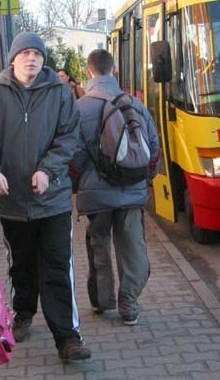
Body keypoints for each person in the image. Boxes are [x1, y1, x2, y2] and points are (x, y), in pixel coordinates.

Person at [0, 31, 91, 361]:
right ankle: (22, 314)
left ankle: (67, 337)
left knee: (56, 268)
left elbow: (69, 138)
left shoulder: (59, 93)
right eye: (25, 53)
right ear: (13, 58)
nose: (32, 58)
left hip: (53, 201)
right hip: (12, 203)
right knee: (21, 265)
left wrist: (48, 171)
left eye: (37, 53)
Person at [74, 49, 160, 326]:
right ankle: (129, 302)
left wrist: (80, 184)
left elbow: (71, 153)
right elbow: (153, 146)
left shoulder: (79, 107)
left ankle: (102, 300)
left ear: (89, 72)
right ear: (114, 70)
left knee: (99, 243)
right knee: (132, 245)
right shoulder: (135, 104)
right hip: (132, 190)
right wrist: (144, 180)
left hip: (95, 192)